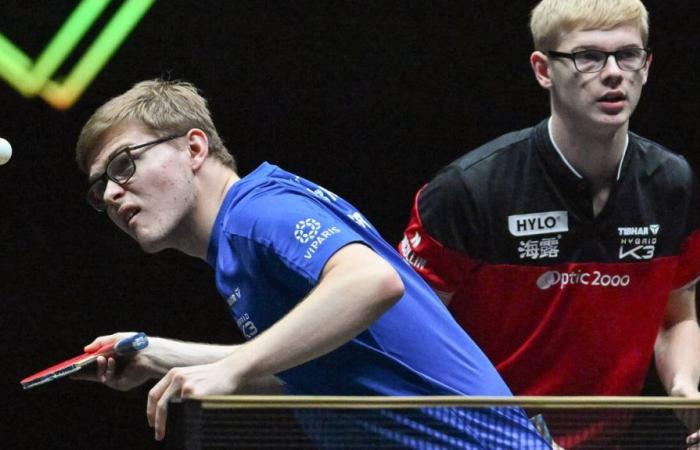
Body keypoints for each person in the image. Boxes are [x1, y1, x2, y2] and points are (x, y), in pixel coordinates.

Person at [72, 78, 550, 448]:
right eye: (100, 188)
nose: (112, 193)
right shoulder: (235, 246)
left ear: (194, 148)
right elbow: (303, 369)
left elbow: (370, 281)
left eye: (124, 164)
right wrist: (156, 354)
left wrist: (233, 369)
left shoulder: (255, 214)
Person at [399, 0, 700, 447]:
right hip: (479, 437)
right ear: (543, 69)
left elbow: (676, 318)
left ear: (647, 65)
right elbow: (408, 340)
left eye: (628, 55)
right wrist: (507, 435)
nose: (614, 72)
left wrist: (683, 388)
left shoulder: (672, 184)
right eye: (589, 57)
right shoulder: (467, 191)